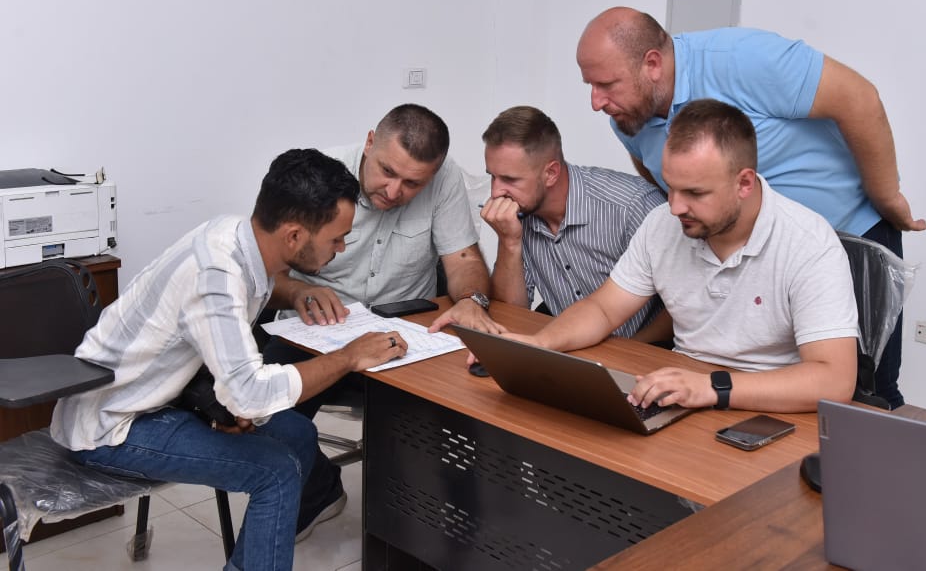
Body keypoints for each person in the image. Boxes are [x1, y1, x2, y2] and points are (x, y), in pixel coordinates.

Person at [50, 149, 408, 571]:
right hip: (112, 423)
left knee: (296, 433)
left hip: (164, 398)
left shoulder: (236, 235)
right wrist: (348, 357)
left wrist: (218, 403)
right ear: (294, 236)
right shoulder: (217, 277)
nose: (342, 248)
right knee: (275, 472)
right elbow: (250, 395)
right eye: (336, 238)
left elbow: (232, 374)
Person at [575, 6, 925, 407]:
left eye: (607, 84)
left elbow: (859, 99)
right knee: (740, 378)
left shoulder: (741, 59)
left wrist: (887, 197)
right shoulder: (628, 115)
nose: (596, 101)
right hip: (742, 248)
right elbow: (654, 166)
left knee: (870, 394)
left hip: (844, 231)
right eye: (590, 85)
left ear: (652, 64)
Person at [502, 100, 858, 414]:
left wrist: (712, 388)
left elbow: (835, 380)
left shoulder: (809, 243)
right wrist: (541, 344)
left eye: (694, 193)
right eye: (671, 187)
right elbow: (603, 309)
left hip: (772, 409)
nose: (675, 207)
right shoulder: (663, 225)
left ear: (744, 184)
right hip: (685, 393)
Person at [261, 103, 501, 539]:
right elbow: (266, 275)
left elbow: (464, 259)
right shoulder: (318, 177)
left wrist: (471, 300)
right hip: (313, 335)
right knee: (269, 412)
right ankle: (319, 490)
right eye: (387, 172)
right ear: (370, 142)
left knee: (472, 398)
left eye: (412, 184)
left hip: (407, 336)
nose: (393, 191)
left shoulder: (445, 180)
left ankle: (447, 527)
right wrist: (297, 291)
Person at [480, 105, 671, 344]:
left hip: (645, 351)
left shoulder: (632, 206)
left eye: (510, 179)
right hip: (568, 347)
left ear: (551, 173)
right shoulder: (518, 215)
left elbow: (683, 306)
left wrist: (629, 352)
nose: (496, 192)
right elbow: (511, 317)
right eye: (492, 176)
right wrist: (508, 242)